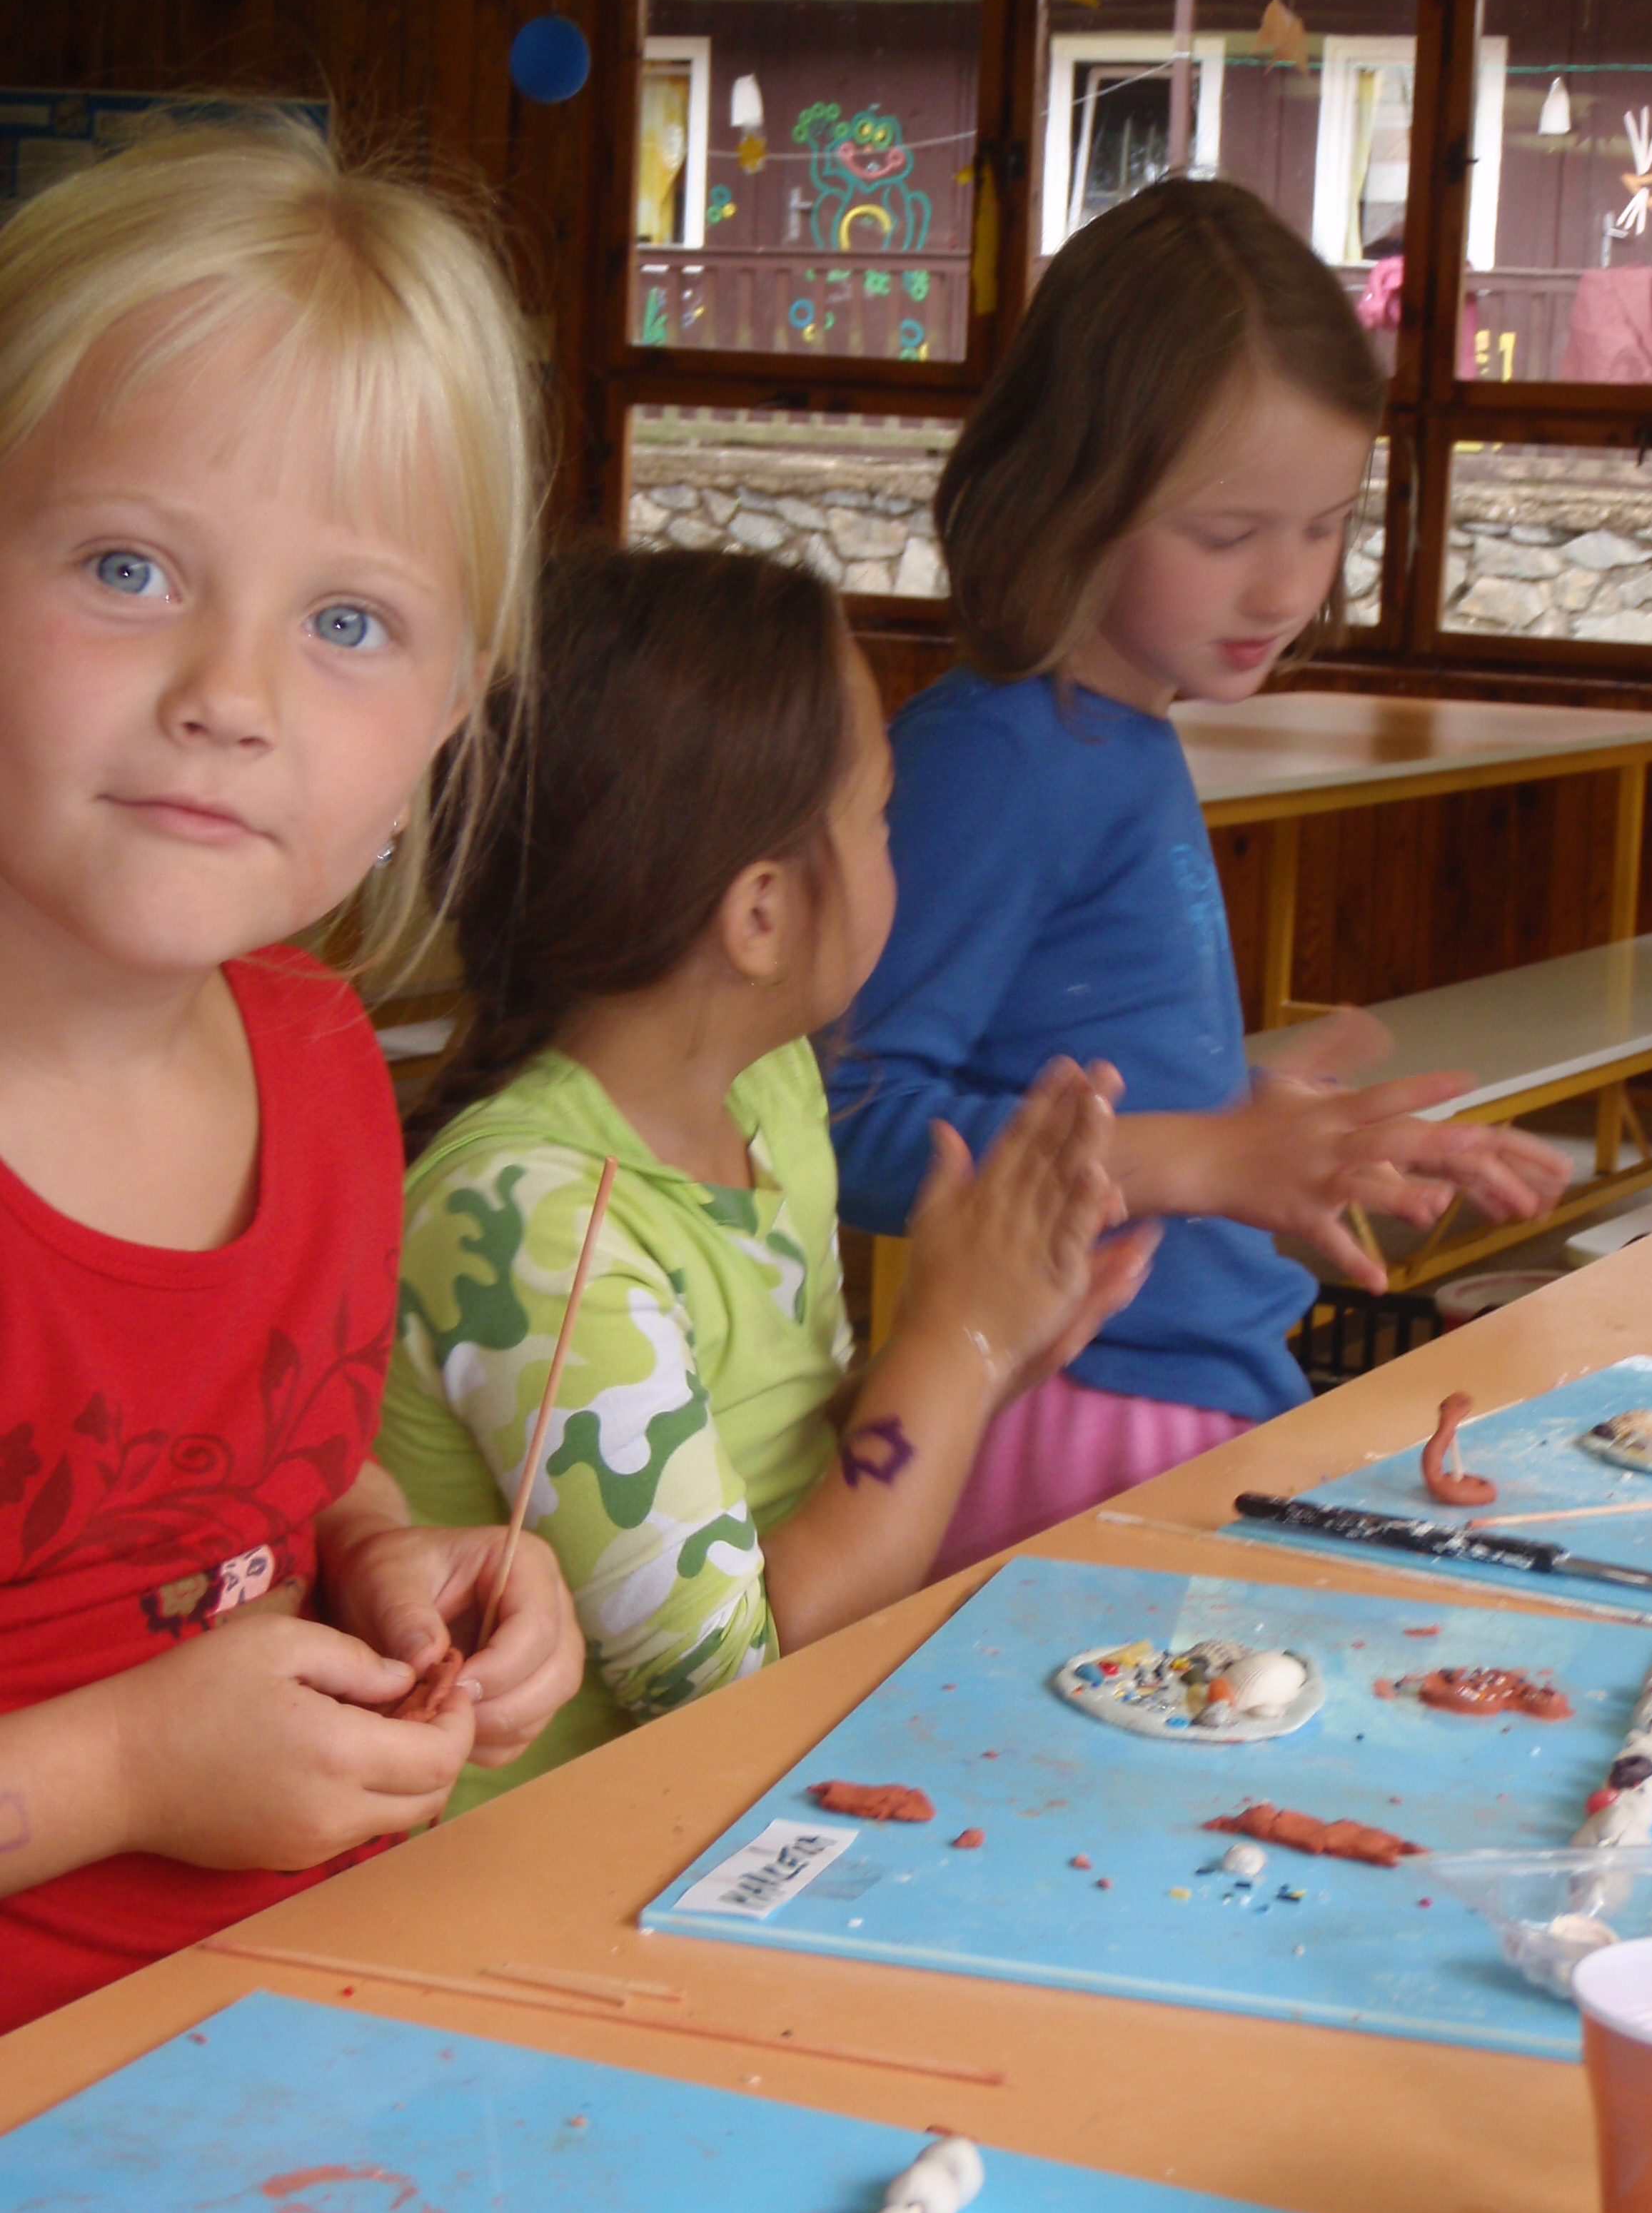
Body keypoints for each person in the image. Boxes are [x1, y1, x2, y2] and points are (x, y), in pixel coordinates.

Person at [0, 120, 583, 2032]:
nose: (229, 695)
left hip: (309, 2036)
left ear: (445, 715)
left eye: (348, 623)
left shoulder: (322, 1063)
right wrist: (129, 1771)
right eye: (128, 567)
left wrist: (383, 1563)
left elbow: (262, 1479)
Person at [827, 178, 1569, 1579]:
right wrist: (1205, 1156)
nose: (1285, 587)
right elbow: (845, 1119)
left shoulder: (1119, 731)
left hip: (1189, 1390)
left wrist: (1267, 1123)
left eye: (1324, 526)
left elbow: (1078, 1077)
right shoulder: (1001, 755)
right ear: (1072, 491)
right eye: (1228, 535)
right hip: (1075, 1407)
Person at [378, 542, 1153, 1810]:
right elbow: (728, 1680)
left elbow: (776, 1472)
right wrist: (951, 1351)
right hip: (560, 1859)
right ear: (759, 915)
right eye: (880, 815)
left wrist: (993, 1345)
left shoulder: (767, 1091)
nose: (898, 849)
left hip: (744, 1806)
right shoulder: (533, 1221)